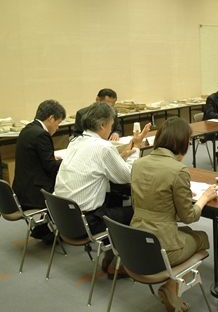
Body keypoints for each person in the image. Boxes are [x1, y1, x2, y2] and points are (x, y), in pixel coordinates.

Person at [54, 102, 150, 279]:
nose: (111, 129)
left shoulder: (75, 142)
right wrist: (135, 149)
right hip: (87, 223)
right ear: (102, 125)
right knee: (140, 211)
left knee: (112, 198)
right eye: (112, 125)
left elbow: (101, 165)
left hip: (65, 219)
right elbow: (128, 176)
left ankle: (109, 258)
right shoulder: (103, 147)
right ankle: (119, 265)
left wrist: (125, 153)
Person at [130, 117, 217, 312]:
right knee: (201, 237)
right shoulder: (178, 170)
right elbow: (189, 217)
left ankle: (171, 287)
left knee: (185, 232)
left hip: (135, 241)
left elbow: (139, 202)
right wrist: (205, 197)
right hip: (162, 247)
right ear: (182, 143)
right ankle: (171, 286)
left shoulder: (138, 164)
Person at [12, 99, 66, 244]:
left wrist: (52, 158)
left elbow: (36, 157)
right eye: (58, 123)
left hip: (21, 188)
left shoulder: (28, 129)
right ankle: (68, 231)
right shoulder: (42, 135)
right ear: (50, 118)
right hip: (34, 192)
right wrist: (67, 161)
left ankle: (41, 229)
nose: (57, 127)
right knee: (67, 189)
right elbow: (50, 166)